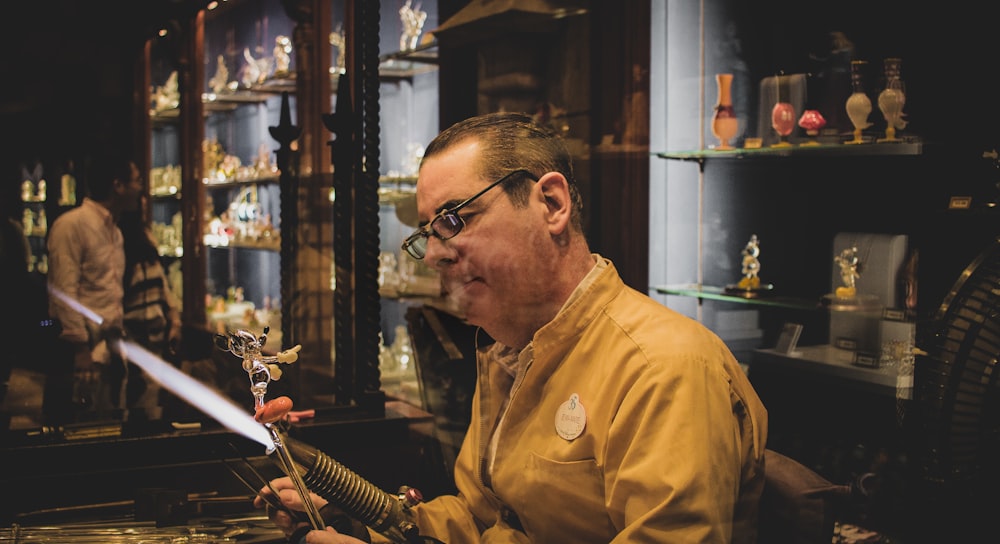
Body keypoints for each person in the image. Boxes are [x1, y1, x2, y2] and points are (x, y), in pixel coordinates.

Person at [255, 112, 769, 543]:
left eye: (453, 218)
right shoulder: (512, 349)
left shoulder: (662, 368)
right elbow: (481, 522)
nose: (433, 254)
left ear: (551, 204)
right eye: (426, 234)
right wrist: (359, 519)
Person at [45, 152, 143, 423]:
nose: (141, 187)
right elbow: (64, 291)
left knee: (110, 423)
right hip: (83, 352)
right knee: (81, 427)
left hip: (108, 347)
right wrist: (80, 350)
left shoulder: (115, 231)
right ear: (118, 185)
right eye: (136, 180)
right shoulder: (72, 225)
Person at [118, 192, 182, 413]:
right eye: (140, 205)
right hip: (129, 336)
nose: (145, 210)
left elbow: (163, 286)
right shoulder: (118, 241)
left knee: (151, 399)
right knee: (128, 398)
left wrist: (174, 320)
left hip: (155, 334)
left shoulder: (147, 238)